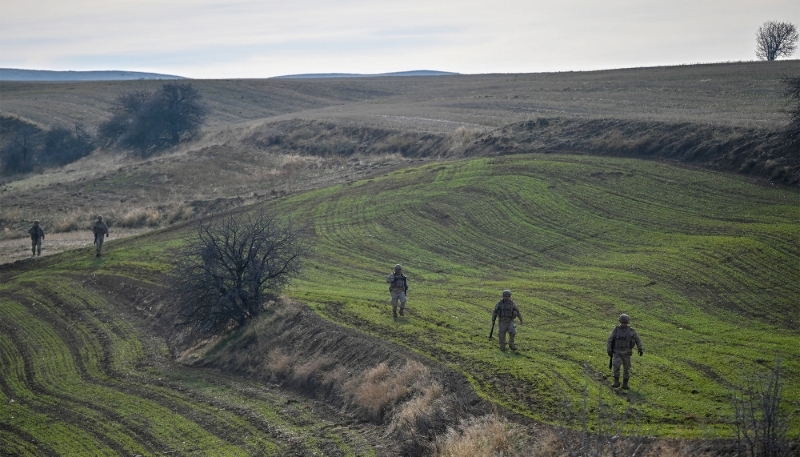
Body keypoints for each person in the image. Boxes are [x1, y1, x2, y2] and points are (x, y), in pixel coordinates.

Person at [607, 313, 644, 390]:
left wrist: (640, 348)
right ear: (620, 322)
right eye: (623, 323)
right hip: (617, 351)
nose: (624, 324)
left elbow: (638, 340)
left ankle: (625, 383)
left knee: (626, 368)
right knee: (616, 366)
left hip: (627, 352)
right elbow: (610, 340)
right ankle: (616, 382)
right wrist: (609, 349)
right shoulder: (616, 330)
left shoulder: (631, 331)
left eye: (625, 323)